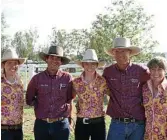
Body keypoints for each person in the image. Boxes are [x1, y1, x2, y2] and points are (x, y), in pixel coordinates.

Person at [103, 37, 150, 140]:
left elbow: (156, 84)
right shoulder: (108, 72)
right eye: (117, 51)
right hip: (117, 124)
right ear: (113, 54)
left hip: (138, 124)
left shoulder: (141, 71)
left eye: (123, 51)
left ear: (130, 52)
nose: (120, 54)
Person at [26, 45, 73, 140]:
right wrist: (41, 105)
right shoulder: (37, 79)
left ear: (61, 62)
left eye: (58, 58)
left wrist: (69, 120)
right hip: (42, 125)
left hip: (61, 125)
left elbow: (69, 99)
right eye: (51, 57)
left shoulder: (67, 78)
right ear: (46, 59)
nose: (54, 61)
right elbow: (29, 99)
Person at [73, 49, 110, 140]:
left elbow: (112, 96)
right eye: (87, 63)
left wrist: (108, 109)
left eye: (93, 63)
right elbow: (70, 98)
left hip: (99, 122)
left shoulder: (102, 81)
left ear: (97, 65)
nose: (90, 66)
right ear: (83, 65)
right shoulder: (76, 82)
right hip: (82, 122)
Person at [1, 48, 26, 140]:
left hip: (18, 128)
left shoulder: (20, 83)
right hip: (3, 130)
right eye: (9, 63)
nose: (13, 66)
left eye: (15, 63)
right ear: (4, 65)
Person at [142, 56, 167, 140]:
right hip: (148, 135)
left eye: (160, 69)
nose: (156, 73)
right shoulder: (144, 88)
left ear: (165, 71)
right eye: (153, 69)